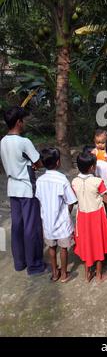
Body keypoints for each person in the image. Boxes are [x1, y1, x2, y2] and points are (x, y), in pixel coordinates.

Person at [0, 106, 46, 275]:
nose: (25, 123)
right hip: (27, 188)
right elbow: (38, 162)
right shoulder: (24, 142)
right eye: (23, 120)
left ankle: (20, 262)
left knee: (18, 226)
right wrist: (35, 164)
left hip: (13, 187)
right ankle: (34, 265)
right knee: (31, 226)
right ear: (18, 122)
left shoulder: (3, 141)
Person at [72, 152, 107, 282]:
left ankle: (87, 275)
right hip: (97, 216)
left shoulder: (74, 181)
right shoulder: (98, 181)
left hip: (82, 216)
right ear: (92, 167)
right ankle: (98, 275)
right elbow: (106, 200)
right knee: (98, 243)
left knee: (87, 243)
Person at [36, 148, 77, 283]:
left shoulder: (40, 180)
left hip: (47, 222)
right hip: (61, 221)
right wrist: (67, 212)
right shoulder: (62, 179)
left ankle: (55, 273)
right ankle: (64, 274)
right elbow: (71, 201)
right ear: (58, 162)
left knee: (51, 248)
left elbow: (39, 198)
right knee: (64, 248)